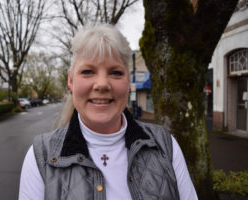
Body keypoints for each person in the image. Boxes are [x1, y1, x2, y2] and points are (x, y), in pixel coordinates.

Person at [19, 24, 198, 200]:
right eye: (88, 71)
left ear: (128, 83)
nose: (102, 84)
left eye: (116, 73)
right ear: (71, 81)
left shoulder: (165, 145)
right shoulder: (41, 157)